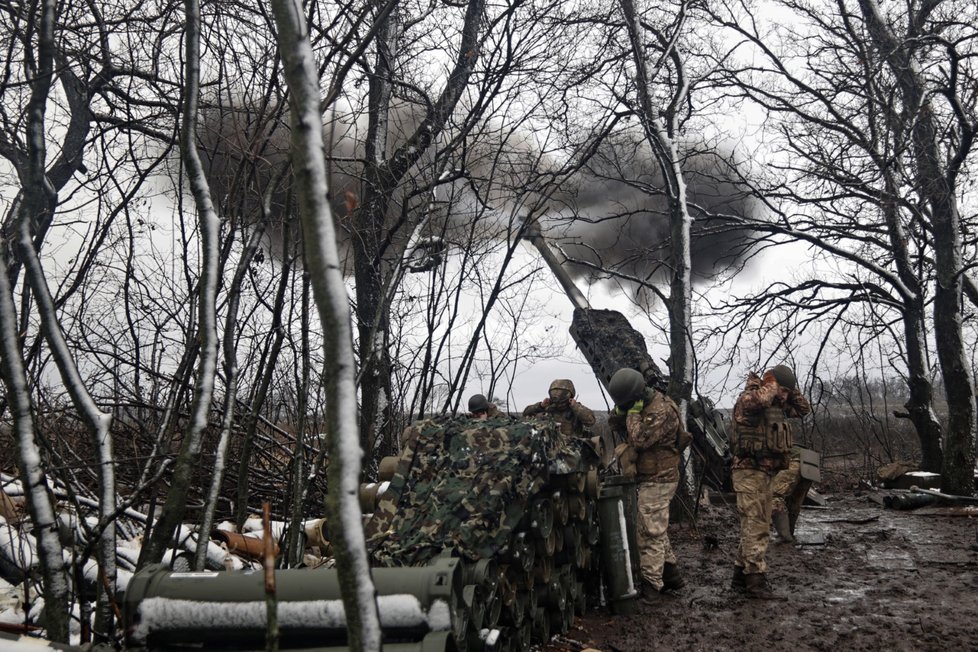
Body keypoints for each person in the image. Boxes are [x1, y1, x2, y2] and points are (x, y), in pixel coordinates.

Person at [607, 368, 690, 596]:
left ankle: (652, 585)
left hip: (660, 478)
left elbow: (639, 439)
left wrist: (631, 414)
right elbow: (615, 424)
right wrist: (620, 413)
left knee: (648, 532)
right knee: (654, 526)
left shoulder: (659, 409)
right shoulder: (645, 403)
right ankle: (671, 574)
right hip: (652, 476)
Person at [729, 364, 811, 598]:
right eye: (781, 390)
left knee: (755, 525)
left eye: (786, 392)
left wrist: (789, 390)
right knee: (757, 526)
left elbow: (803, 409)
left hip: (764, 473)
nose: (783, 396)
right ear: (770, 385)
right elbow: (757, 401)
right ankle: (756, 582)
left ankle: (739, 577)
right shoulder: (750, 399)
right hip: (748, 472)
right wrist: (771, 385)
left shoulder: (775, 404)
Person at [522, 379, 595, 437]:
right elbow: (526, 413)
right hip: (550, 445)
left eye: (561, 393)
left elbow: (591, 421)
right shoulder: (548, 407)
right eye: (555, 392)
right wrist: (540, 405)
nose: (557, 395)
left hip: (571, 446)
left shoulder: (576, 408)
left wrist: (576, 407)